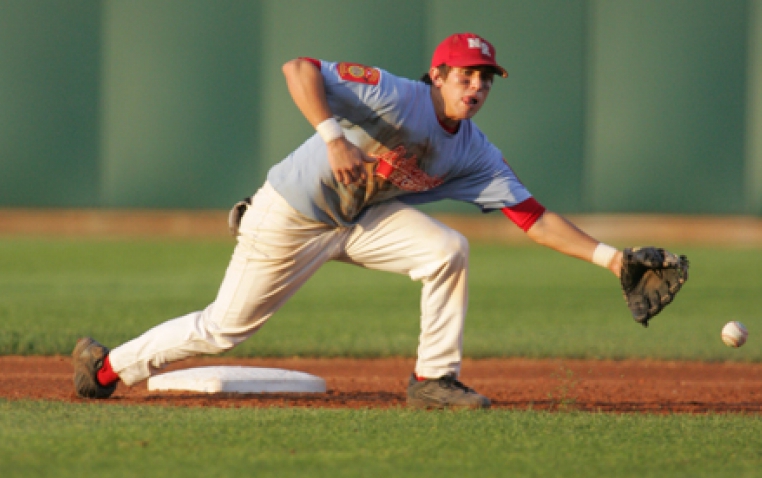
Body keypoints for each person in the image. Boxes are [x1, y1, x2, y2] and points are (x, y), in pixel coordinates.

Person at [72, 33, 646, 409]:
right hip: (292, 215)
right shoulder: (397, 96)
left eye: (485, 78)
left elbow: (532, 217)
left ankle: (432, 381)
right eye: (465, 75)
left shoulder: (473, 151)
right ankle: (106, 370)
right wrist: (331, 138)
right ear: (438, 75)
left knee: (448, 250)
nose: (476, 87)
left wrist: (615, 260)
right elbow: (299, 67)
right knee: (225, 329)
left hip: (361, 219)